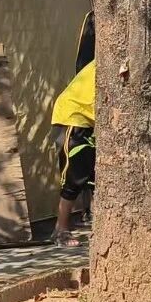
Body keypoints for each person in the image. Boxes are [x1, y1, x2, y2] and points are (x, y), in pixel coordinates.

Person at [50, 59, 96, 248]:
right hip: (74, 118)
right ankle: (60, 231)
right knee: (73, 177)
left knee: (95, 177)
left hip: (88, 120)